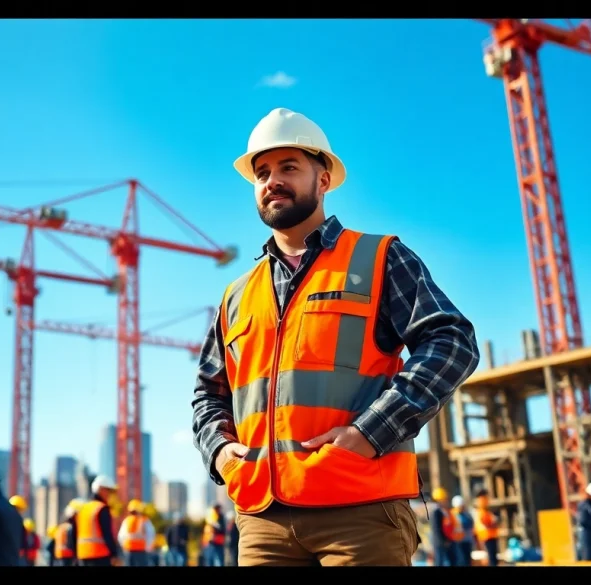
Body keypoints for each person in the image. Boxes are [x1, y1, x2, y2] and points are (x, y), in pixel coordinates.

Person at [191, 107, 480, 567]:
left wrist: (370, 432)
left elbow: (452, 342)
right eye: (262, 173)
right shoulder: (237, 295)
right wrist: (221, 452)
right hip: (262, 522)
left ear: (323, 180)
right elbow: (208, 393)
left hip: (359, 512)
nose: (272, 181)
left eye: (289, 167)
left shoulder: (378, 257)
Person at [77, 475, 121, 566]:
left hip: (83, 555)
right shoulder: (101, 508)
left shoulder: (83, 509)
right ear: (100, 489)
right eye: (108, 490)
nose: (109, 494)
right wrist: (114, 554)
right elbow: (107, 534)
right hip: (99, 556)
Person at [117, 499, 155, 566]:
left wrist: (123, 547)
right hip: (141, 551)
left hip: (129, 550)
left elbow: (120, 536)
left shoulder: (127, 521)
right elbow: (151, 535)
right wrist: (148, 547)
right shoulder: (144, 520)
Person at [430, 488, 459, 566]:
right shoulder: (436, 512)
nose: (446, 501)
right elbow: (437, 529)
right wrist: (444, 540)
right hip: (440, 542)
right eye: (444, 499)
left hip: (447, 540)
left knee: (452, 559)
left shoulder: (443, 511)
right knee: (440, 561)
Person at [472, 490, 500, 567]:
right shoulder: (482, 509)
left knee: (493, 557)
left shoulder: (484, 511)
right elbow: (485, 522)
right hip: (487, 536)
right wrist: (493, 522)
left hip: (489, 535)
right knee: (491, 557)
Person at [452, 495, 474, 566]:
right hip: (458, 542)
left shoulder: (466, 514)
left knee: (467, 560)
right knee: (461, 560)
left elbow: (470, 523)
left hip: (467, 540)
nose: (461, 507)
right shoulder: (453, 515)